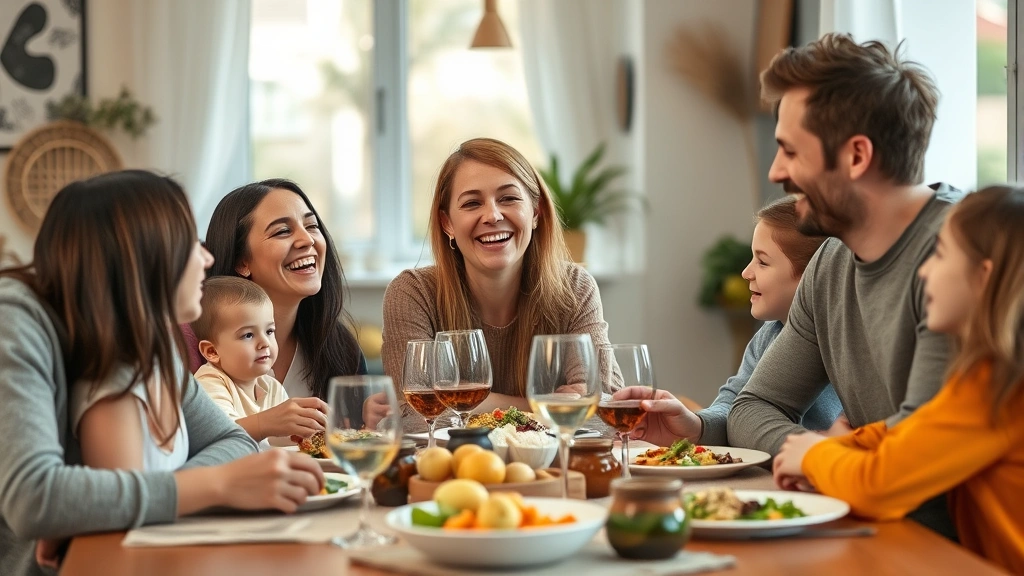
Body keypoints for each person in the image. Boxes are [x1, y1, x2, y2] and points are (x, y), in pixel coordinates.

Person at [0, 171, 324, 576]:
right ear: (143, 255)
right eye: (189, 242)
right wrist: (216, 485)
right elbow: (34, 499)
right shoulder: (15, 320)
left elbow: (233, 439)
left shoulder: (142, 337)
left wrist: (103, 510)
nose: (207, 258)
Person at [726, 33, 961, 538]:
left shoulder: (960, 265)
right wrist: (817, 459)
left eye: (791, 151)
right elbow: (753, 406)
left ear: (856, 156)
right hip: (869, 522)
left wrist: (821, 460)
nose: (776, 171)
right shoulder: (831, 261)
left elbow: (921, 463)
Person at [773, 186, 1024, 574]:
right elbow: (910, 435)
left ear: (982, 277)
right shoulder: (984, 376)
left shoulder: (998, 392)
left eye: (940, 255)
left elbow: (877, 487)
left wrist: (813, 455)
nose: (924, 270)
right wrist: (838, 445)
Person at [381, 137, 612, 431]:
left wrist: (467, 403)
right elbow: (419, 418)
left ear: (536, 212)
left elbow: (603, 414)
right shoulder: (413, 293)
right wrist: (538, 404)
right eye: (472, 203)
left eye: (509, 198)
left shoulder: (576, 288)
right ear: (447, 223)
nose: (492, 215)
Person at [617, 196, 842, 447]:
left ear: (814, 274)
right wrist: (696, 426)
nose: (746, 272)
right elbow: (734, 407)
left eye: (763, 262)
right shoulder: (769, 336)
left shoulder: (842, 337)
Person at [200, 179, 368, 406]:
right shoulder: (195, 343)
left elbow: (356, 435)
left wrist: (369, 420)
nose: (307, 240)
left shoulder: (340, 347)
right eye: (283, 231)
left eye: (312, 226)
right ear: (242, 262)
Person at [191, 276, 328, 448]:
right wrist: (265, 423)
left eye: (269, 331)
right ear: (212, 351)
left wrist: (304, 431)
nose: (265, 342)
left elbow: (272, 439)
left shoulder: (271, 386)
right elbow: (218, 436)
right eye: (248, 335)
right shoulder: (210, 382)